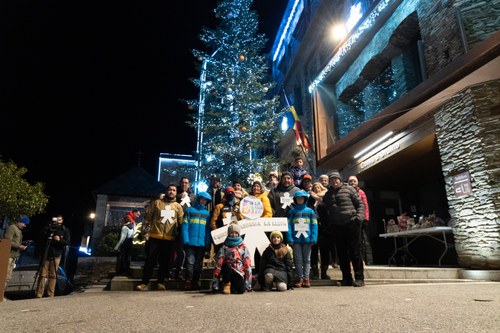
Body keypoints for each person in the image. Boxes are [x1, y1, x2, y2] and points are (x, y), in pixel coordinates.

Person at [135, 184, 184, 291]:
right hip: (154, 236)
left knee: (164, 261)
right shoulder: (157, 203)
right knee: (150, 261)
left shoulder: (178, 206)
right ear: (166, 191)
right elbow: (148, 219)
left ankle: (161, 282)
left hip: (169, 238)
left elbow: (181, 223)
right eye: (170, 190)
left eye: (174, 190)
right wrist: (143, 233)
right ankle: (144, 283)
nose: (171, 191)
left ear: (176, 193)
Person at [323, 171, 365, 287]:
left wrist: (359, 218)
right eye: (331, 180)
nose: (334, 181)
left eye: (336, 179)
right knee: (341, 254)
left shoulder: (349, 189)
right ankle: (346, 278)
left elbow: (360, 204)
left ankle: (359, 278)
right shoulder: (327, 195)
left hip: (352, 223)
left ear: (340, 180)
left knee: (355, 252)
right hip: (337, 226)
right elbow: (326, 211)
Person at [286, 190, 318, 288]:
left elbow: (314, 225)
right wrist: (290, 238)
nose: (300, 200)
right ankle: (300, 278)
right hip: (295, 240)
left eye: (302, 198)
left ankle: (306, 279)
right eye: (298, 198)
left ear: (305, 199)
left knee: (307, 260)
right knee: (298, 260)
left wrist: (313, 238)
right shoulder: (291, 212)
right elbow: (288, 226)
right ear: (295, 200)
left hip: (308, 240)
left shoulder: (310, 211)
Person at [181, 192, 212, 290]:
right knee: (190, 262)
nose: (203, 201)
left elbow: (208, 230)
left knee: (198, 264)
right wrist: (185, 240)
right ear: (198, 199)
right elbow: (185, 226)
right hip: (190, 242)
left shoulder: (207, 214)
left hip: (201, 243)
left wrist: (207, 244)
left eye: (205, 200)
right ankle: (188, 281)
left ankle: (195, 282)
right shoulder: (189, 210)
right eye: (202, 199)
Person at [211, 223, 252, 294]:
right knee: (226, 265)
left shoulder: (243, 247)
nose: (234, 235)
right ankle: (226, 284)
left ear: (239, 234)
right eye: (232, 233)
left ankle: (232, 286)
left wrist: (248, 284)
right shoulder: (224, 247)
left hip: (238, 271)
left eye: (236, 233)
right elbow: (218, 264)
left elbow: (247, 264)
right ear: (228, 234)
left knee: (240, 291)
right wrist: (215, 284)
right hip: (227, 270)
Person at [36, 215, 71, 298]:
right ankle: (39, 294)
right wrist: (47, 228)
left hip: (56, 254)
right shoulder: (48, 228)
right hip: (46, 254)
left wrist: (59, 240)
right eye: (56, 219)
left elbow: (67, 242)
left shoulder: (64, 230)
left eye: (59, 220)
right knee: (42, 275)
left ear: (62, 220)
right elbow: (40, 238)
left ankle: (50, 294)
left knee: (53, 275)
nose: (57, 221)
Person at [309, 181, 337, 279]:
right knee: (314, 251)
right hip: (313, 228)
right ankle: (315, 272)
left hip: (325, 229)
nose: (317, 189)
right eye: (315, 188)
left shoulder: (326, 198)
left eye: (318, 187)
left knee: (325, 251)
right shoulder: (310, 200)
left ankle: (324, 272)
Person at [173, 176, 197, 280]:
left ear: (189, 184)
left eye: (186, 183)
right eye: (182, 182)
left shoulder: (193, 197)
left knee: (187, 251)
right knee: (178, 250)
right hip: (176, 226)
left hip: (189, 227)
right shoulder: (175, 195)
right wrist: (178, 197)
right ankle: (175, 271)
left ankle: (186, 274)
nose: (184, 184)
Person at [268, 171, 300, 242]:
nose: (286, 180)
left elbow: (301, 204)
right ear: (281, 180)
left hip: (294, 220)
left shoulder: (297, 190)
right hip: (279, 221)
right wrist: (274, 213)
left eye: (288, 178)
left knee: (293, 243)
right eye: (284, 178)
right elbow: (269, 205)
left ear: (291, 180)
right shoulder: (274, 191)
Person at [3, 216, 30, 300]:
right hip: (8, 255)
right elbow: (7, 241)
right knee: (3, 276)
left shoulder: (19, 231)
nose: (25, 225)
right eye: (24, 223)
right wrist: (19, 246)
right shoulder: (12, 228)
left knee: (7, 277)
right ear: (20, 221)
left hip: (13, 256)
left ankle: (1, 295)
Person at [210, 186, 242, 255]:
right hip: (222, 236)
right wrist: (217, 232)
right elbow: (213, 221)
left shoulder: (237, 208)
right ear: (225, 194)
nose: (230, 194)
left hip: (234, 236)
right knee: (221, 256)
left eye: (231, 193)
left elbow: (240, 220)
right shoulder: (219, 206)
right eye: (228, 193)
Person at [348, 175, 372, 266]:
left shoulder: (361, 192)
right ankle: (351, 260)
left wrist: (366, 218)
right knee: (350, 241)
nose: (352, 183)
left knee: (360, 241)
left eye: (354, 181)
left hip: (360, 219)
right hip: (349, 219)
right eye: (350, 181)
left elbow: (365, 206)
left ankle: (361, 260)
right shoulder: (346, 191)